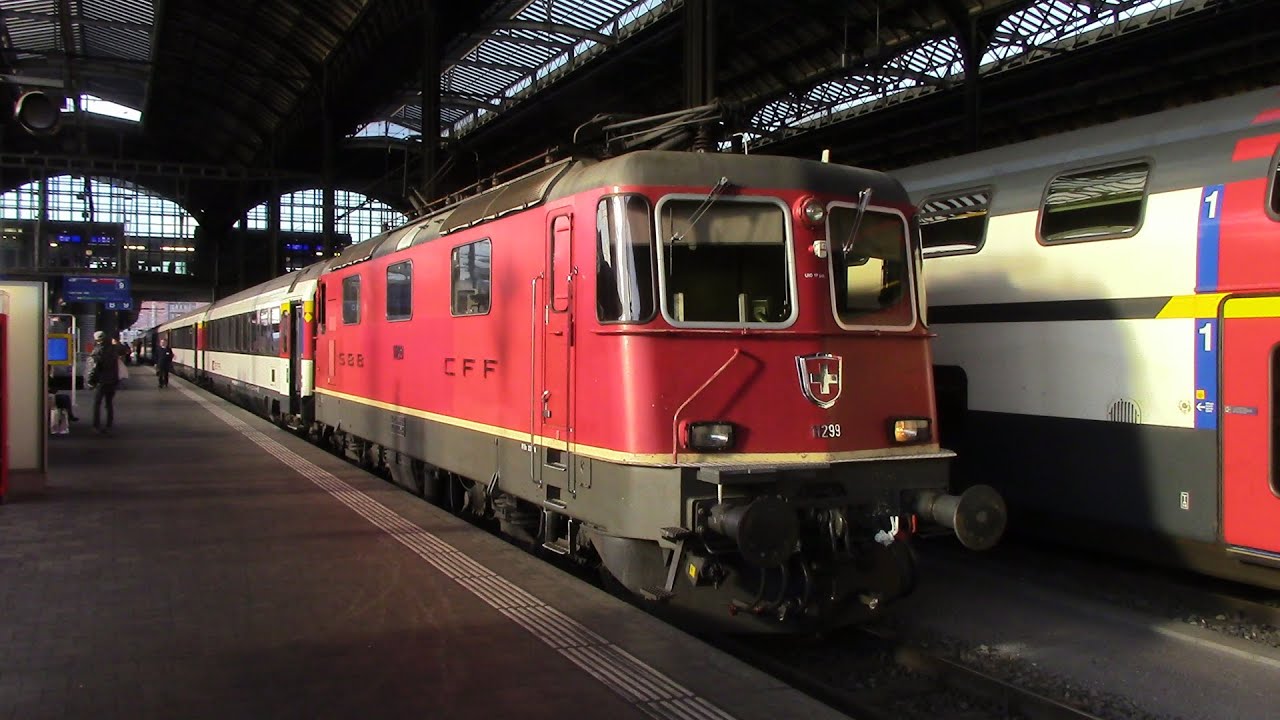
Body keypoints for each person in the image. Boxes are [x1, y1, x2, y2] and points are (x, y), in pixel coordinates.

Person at [88, 331, 124, 433]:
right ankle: (109, 424)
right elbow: (124, 350)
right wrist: (116, 343)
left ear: (97, 340)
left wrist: (91, 381)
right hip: (112, 380)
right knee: (109, 403)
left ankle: (96, 425)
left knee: (97, 403)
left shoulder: (97, 351)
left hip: (101, 381)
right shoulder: (113, 349)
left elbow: (94, 368)